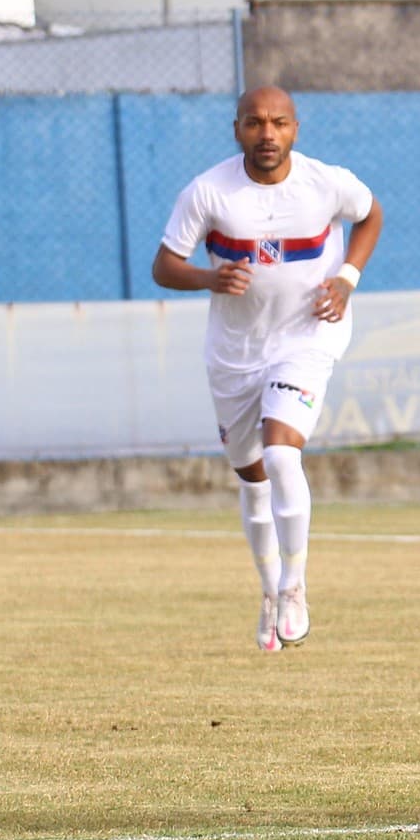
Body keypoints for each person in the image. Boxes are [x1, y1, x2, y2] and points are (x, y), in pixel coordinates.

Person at [152, 86, 383, 652]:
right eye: (255, 123)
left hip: (306, 338)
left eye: (279, 122)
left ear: (295, 130)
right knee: (252, 476)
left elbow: (371, 214)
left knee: (282, 454)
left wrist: (347, 278)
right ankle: (267, 591)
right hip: (235, 353)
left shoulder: (325, 182)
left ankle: (295, 585)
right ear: (237, 130)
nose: (267, 134)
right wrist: (210, 277)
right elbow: (164, 266)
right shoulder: (209, 192)